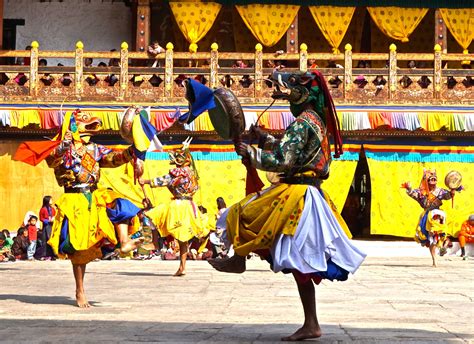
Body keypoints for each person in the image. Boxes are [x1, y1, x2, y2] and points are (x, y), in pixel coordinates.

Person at [208, 70, 366, 341]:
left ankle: (238, 259)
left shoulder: (303, 123)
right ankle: (310, 322)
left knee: (241, 213)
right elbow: (295, 152)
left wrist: (252, 153)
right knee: (298, 262)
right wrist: (265, 139)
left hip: (297, 196)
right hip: (309, 193)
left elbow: (283, 160)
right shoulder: (315, 121)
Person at [36, 110, 144, 307]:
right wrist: (63, 147)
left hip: (93, 196)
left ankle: (124, 242)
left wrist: (134, 149)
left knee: (120, 205)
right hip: (74, 200)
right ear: (74, 125)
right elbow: (51, 160)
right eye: (85, 121)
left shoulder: (94, 149)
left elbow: (114, 159)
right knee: (79, 250)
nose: (94, 125)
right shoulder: (60, 147)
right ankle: (80, 289)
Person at [140, 139, 205, 276]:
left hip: (179, 206)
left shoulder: (179, 172)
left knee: (150, 217)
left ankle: (155, 243)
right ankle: (182, 267)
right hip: (189, 205)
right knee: (183, 239)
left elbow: (163, 180)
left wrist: (145, 181)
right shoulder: (192, 173)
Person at [402, 169, 461, 267]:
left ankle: (444, 245)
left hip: (437, 215)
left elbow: (447, 196)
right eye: (431, 179)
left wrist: (452, 192)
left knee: (439, 233)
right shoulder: (421, 192)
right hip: (427, 216)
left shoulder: (440, 191)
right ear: (426, 180)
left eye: (435, 179)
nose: (433, 181)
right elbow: (412, 193)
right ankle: (435, 260)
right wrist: (409, 188)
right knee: (430, 239)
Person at [38, 196, 56, 260]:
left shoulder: (53, 209)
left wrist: (53, 219)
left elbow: (55, 215)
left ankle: (53, 254)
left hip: (52, 226)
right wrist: (47, 221)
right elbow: (41, 218)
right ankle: (44, 255)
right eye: (51, 199)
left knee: (51, 240)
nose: (52, 201)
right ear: (47, 200)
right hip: (46, 226)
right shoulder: (43, 209)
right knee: (45, 240)